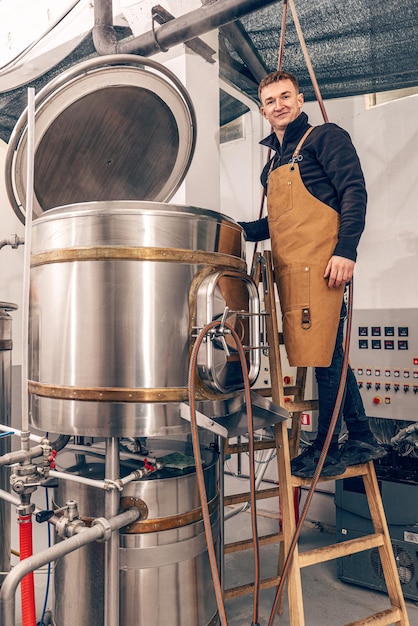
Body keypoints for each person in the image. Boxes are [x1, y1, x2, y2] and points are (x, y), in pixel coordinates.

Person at [239, 70, 386, 478]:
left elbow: (354, 191)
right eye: (270, 101)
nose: (278, 105)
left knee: (324, 360)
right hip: (292, 271)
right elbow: (279, 224)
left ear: (299, 100)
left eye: (285, 97)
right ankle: (360, 434)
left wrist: (346, 251)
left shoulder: (324, 138)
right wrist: (236, 229)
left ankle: (326, 448)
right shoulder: (272, 163)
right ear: (263, 109)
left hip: (324, 267)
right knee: (330, 354)